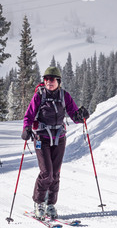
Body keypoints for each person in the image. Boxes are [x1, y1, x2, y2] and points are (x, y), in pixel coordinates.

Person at [21, 66, 89, 219]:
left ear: (58, 81)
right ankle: (39, 203)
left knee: (56, 173)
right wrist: (26, 128)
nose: (48, 82)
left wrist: (81, 115)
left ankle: (50, 204)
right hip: (41, 138)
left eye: (52, 79)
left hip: (59, 138)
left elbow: (74, 115)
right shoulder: (39, 95)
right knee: (46, 173)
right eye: (46, 79)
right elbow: (29, 115)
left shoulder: (65, 96)